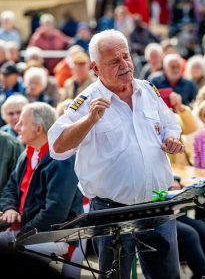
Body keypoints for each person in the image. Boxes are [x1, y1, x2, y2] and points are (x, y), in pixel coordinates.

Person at [48, 29, 184, 279]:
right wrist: (89, 120)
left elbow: (170, 123)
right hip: (112, 211)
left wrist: (171, 138)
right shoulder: (87, 100)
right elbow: (57, 147)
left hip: (158, 203)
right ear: (96, 67)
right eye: (114, 61)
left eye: (126, 56)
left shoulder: (147, 90)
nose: (124, 65)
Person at [0, 102, 83, 271]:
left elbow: (56, 210)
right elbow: (10, 187)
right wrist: (9, 208)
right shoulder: (27, 153)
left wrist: (22, 232)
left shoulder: (61, 158)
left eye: (22, 123)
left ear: (38, 129)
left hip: (54, 235)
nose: (16, 126)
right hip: (28, 229)